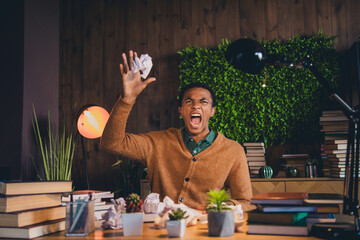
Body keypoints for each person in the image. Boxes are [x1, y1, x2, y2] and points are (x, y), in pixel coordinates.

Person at [101, 50, 254, 211]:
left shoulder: (233, 151)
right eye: (189, 101)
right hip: (164, 230)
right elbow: (112, 142)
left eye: (203, 102)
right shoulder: (157, 143)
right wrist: (127, 99)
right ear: (181, 110)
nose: (196, 106)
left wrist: (217, 209)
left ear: (212, 111)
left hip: (206, 231)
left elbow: (246, 201)